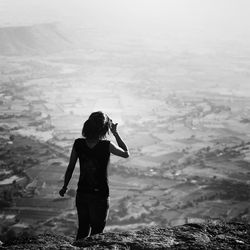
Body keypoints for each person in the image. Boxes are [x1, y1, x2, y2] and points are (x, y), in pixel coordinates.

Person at [59, 111, 129, 240]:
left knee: (82, 230)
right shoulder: (107, 145)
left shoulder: (78, 143)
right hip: (100, 195)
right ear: (104, 129)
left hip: (82, 193)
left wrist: (65, 186)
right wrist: (116, 133)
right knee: (97, 233)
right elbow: (126, 153)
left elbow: (71, 167)